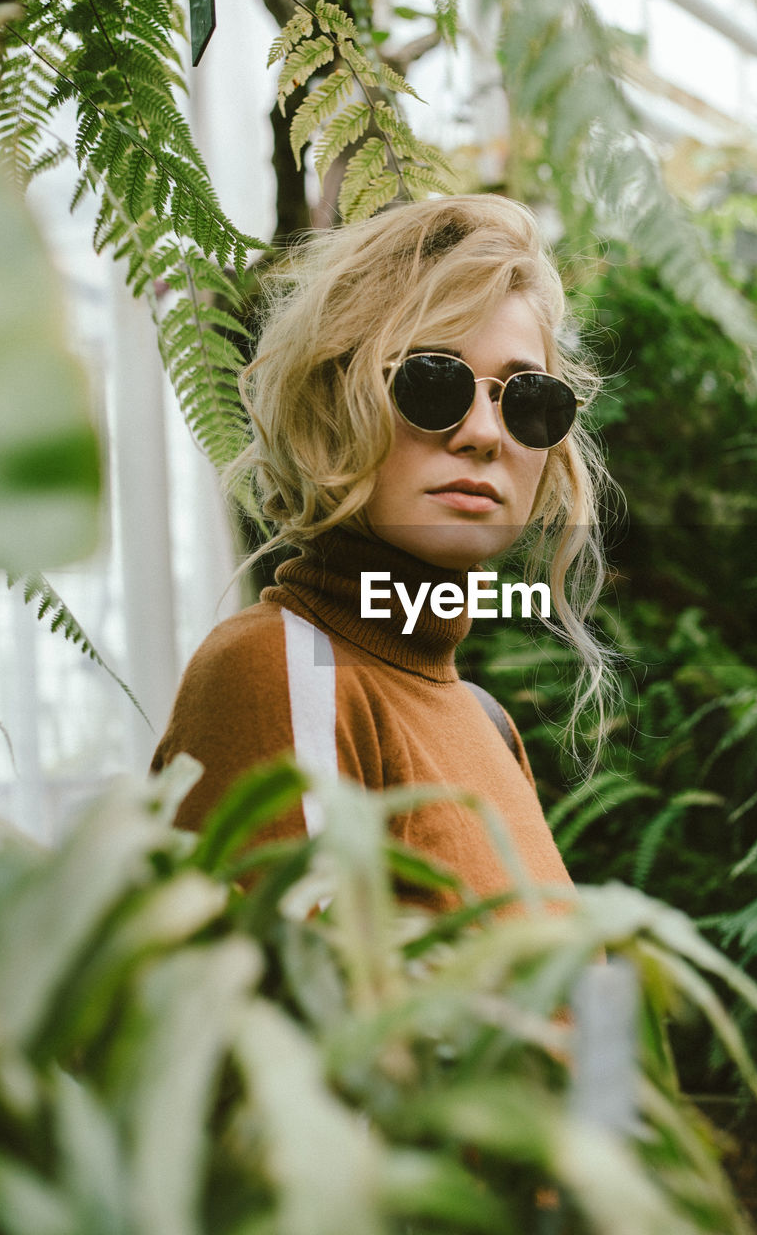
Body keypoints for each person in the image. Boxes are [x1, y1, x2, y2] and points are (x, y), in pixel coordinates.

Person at [152, 194, 614, 907]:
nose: (485, 435)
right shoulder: (281, 672)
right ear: (334, 406)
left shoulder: (486, 723)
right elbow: (265, 1006)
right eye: (433, 382)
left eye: (527, 400)